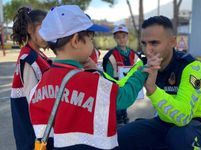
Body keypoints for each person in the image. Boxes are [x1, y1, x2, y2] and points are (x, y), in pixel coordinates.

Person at [29, 5, 161, 150]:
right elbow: (124, 96)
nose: (93, 43)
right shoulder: (91, 81)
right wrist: (143, 71)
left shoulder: (39, 85)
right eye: (90, 38)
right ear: (75, 41)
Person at [118, 16, 201, 150]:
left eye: (154, 43)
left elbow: (183, 117)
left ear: (172, 42)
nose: (147, 50)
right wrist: (96, 75)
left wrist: (152, 89)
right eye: (144, 43)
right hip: (163, 121)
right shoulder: (144, 63)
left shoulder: (192, 67)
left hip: (194, 123)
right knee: (121, 136)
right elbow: (121, 87)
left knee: (179, 138)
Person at [10, 7, 51, 150]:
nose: (48, 34)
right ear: (29, 28)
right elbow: (34, 102)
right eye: (44, 28)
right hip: (34, 137)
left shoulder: (39, 56)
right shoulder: (28, 59)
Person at [103, 25, 139, 125]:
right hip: (116, 88)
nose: (121, 39)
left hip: (127, 87)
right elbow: (108, 76)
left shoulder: (133, 54)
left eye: (123, 36)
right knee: (118, 114)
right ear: (115, 38)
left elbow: (138, 70)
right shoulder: (111, 55)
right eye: (118, 37)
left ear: (127, 37)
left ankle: (124, 124)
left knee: (124, 111)